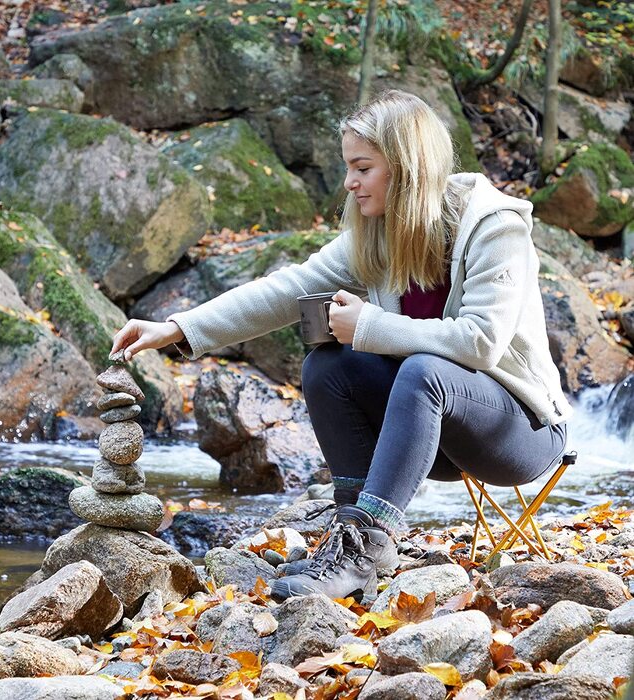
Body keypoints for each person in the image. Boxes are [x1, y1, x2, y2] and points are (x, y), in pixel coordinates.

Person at [110, 89, 571, 603]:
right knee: (329, 363)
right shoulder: (376, 234)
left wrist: (370, 326)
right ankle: (348, 536)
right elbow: (286, 289)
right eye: (348, 168)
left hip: (518, 432)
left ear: (407, 166)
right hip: (425, 434)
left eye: (362, 168)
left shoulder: (494, 227)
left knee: (423, 370)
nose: (349, 183)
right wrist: (177, 327)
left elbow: (480, 342)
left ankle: (367, 548)